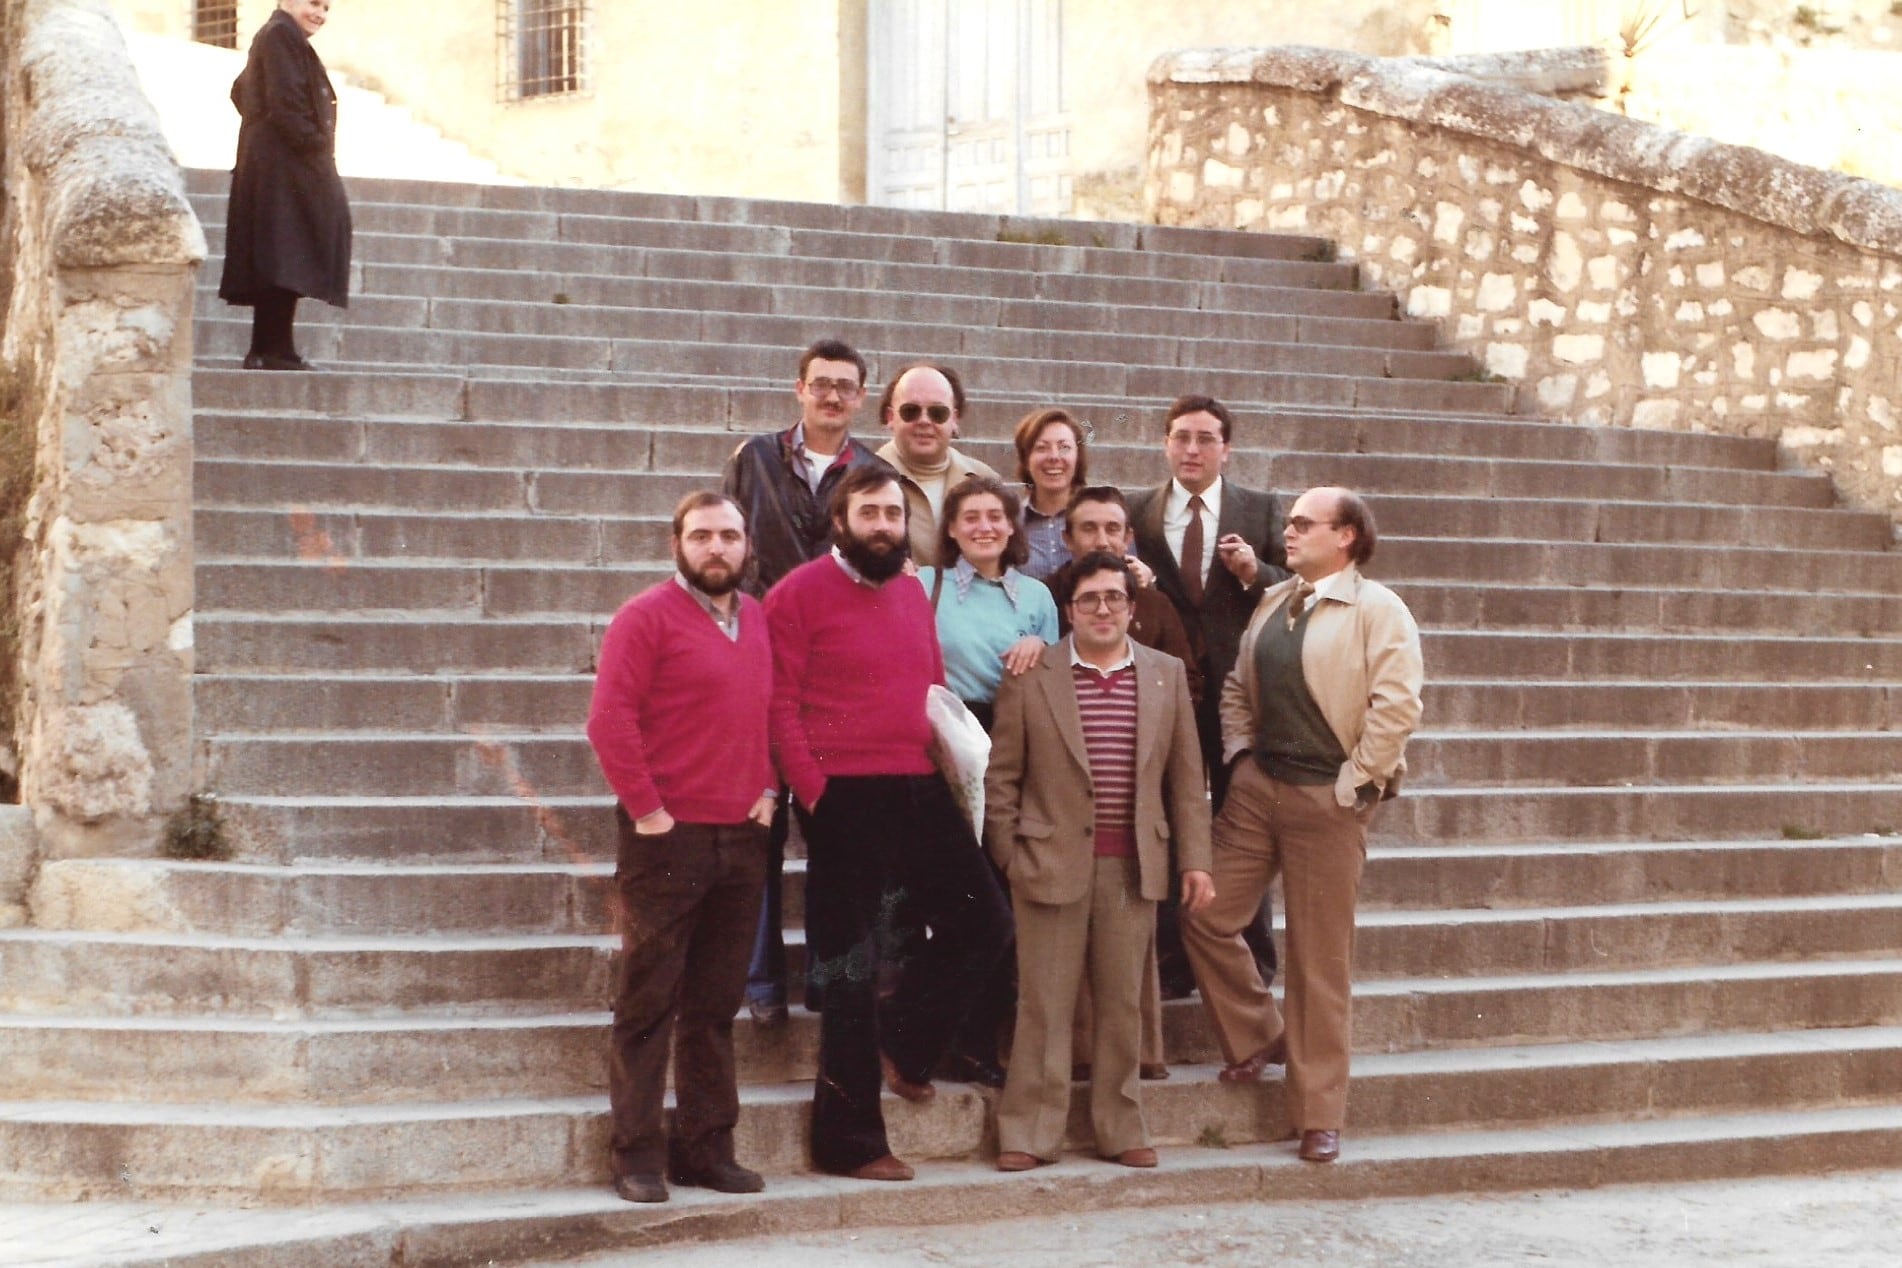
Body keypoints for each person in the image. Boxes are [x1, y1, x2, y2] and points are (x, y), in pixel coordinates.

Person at [765, 463, 1014, 1182]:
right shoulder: (797, 594)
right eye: (869, 513)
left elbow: (932, 681)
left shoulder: (909, 587)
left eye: (893, 514)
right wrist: (814, 793)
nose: (883, 526)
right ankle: (850, 1143)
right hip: (843, 793)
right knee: (851, 968)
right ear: (840, 521)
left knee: (985, 921)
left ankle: (903, 1044)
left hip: (917, 781)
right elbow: (779, 703)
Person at [1180, 487, 1424, 1166]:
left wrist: (1356, 785)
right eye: (1288, 523)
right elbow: (1236, 685)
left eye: (1304, 524)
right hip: (1261, 790)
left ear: (1346, 536)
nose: (1288, 532)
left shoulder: (1379, 609)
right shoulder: (1273, 601)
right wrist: (1241, 755)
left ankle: (1319, 1113)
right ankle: (1259, 1032)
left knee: (1319, 964)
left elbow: (1397, 705)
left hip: (1329, 801)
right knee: (1203, 910)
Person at [985, 552, 1213, 1172]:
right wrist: (1009, 856)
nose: (1103, 609)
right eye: (1090, 599)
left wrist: (1196, 861)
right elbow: (1001, 778)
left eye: (1114, 597)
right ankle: (1029, 1131)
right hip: (1049, 862)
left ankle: (1120, 1126)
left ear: (1132, 609)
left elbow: (1187, 782)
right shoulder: (1032, 675)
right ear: (1070, 609)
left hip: (1132, 866)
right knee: (1044, 1004)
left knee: (1121, 1004)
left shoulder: (1165, 675)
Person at [585, 492, 777, 1204]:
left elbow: (769, 709)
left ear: (747, 545)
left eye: (729, 536)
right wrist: (650, 812)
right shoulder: (644, 617)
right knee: (648, 999)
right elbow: (609, 721)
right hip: (666, 838)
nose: (717, 548)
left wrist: (770, 786)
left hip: (741, 834)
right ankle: (637, 1154)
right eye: (702, 536)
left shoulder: (755, 619)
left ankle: (707, 1149)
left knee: (715, 1004)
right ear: (677, 544)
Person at [723, 338, 890, 1027]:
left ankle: (829, 982)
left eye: (845, 386)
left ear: (859, 398)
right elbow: (730, 546)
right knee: (758, 821)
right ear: (799, 388)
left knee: (837, 832)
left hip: (835, 674)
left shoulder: (873, 471)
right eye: (820, 384)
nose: (831, 396)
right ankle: (761, 987)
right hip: (761, 657)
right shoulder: (754, 457)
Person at [1126, 394, 1287, 999]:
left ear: (1226, 448)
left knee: (1242, 822)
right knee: (1165, 817)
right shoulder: (1137, 511)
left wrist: (1253, 574)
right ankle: (1172, 961)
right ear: (1165, 443)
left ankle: (1253, 960)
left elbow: (1295, 589)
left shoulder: (1261, 508)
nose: (1191, 450)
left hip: (1236, 692)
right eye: (1181, 437)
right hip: (1163, 688)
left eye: (1205, 439)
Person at [1048, 485, 1200, 1081]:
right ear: (1067, 537)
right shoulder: (1056, 599)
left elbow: (1185, 719)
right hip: (1068, 803)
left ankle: (1135, 1060)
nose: (1103, 539)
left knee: (1125, 955)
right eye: (1089, 528)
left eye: (1114, 528)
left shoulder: (1153, 608)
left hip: (1137, 803)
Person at [913, 476, 1058, 1087]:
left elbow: (1057, 678)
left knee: (1001, 894)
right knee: (954, 901)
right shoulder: (926, 584)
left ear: (1012, 526)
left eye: (995, 517)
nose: (983, 527)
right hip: (942, 739)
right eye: (969, 517)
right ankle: (928, 1036)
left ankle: (978, 1042)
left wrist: (1038, 646)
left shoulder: (1038, 598)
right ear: (950, 529)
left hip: (1009, 748)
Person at [217, 0, 352, 372]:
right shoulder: (280, 35)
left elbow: (242, 89)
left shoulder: (278, 35)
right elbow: (286, 101)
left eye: (327, 7)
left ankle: (269, 349)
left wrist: (262, 132)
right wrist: (313, 145)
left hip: (275, 166)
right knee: (286, 254)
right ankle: (273, 350)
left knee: (281, 256)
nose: (320, 14)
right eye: (313, 3)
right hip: (286, 168)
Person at [874, 363, 1000, 563]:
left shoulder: (985, 479)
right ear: (891, 417)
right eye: (910, 411)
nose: (924, 421)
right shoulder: (863, 480)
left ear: (954, 419)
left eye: (938, 413)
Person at [1012, 407, 1088, 583]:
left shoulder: (1102, 519)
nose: (1054, 457)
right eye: (1041, 448)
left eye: (1064, 448)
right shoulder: (1009, 525)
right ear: (1025, 459)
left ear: (1078, 457)